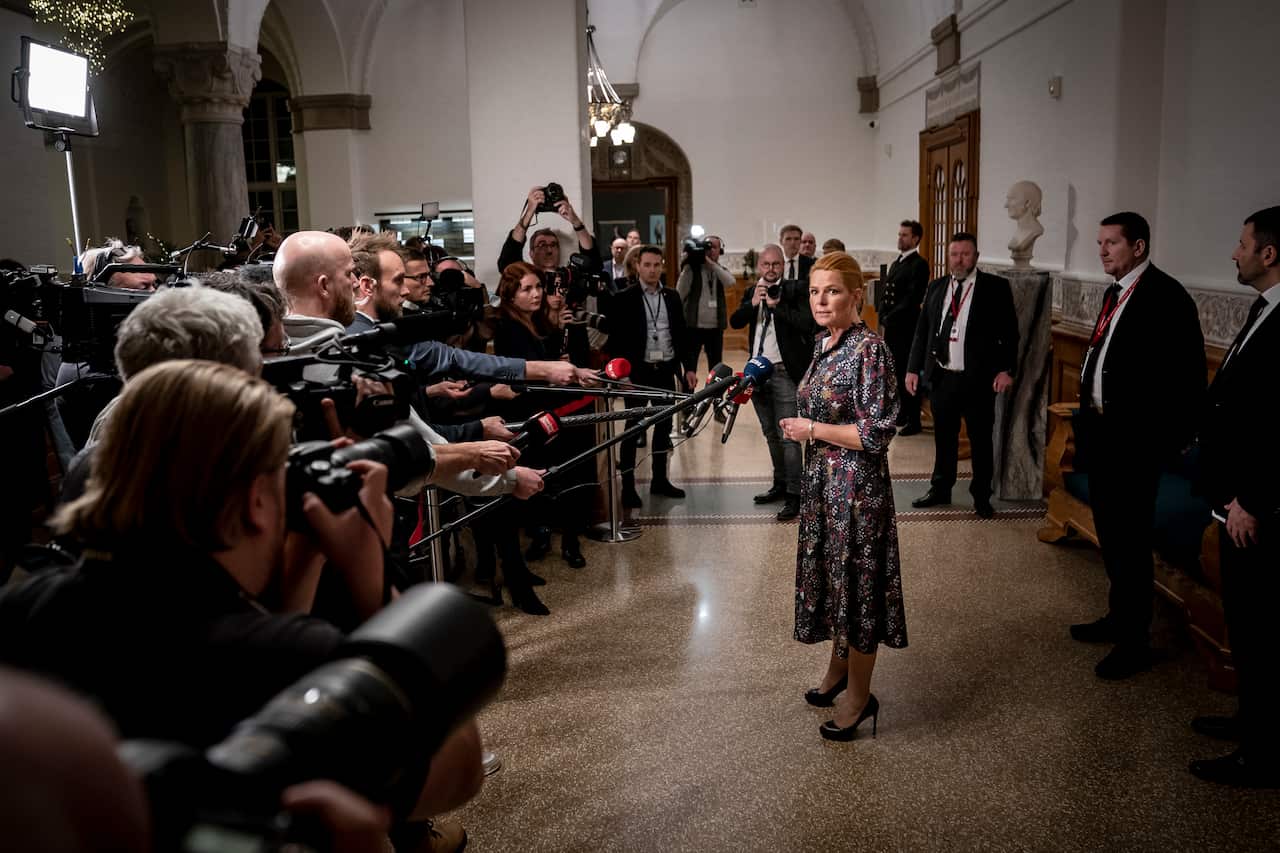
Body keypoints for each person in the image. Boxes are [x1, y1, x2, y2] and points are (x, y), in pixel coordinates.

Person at [0, 360, 483, 849]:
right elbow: (454, 772)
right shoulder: (281, 655)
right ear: (255, 502)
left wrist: (306, 555)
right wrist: (370, 575)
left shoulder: (27, 607)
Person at [1068, 212, 1205, 680]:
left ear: (1139, 247)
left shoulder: (1166, 297)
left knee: (1131, 540)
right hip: (1105, 438)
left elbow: (1185, 381)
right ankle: (1118, 617)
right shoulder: (1116, 292)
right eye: (1100, 242)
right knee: (1113, 537)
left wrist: (1160, 446)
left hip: (1136, 446)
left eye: (1111, 243)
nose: (1102, 251)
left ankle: (1135, 641)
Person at [779, 251, 906, 741]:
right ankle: (837, 672)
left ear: (856, 295)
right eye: (814, 291)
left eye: (831, 290)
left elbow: (875, 434)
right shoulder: (823, 343)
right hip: (823, 486)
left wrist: (812, 428)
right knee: (835, 581)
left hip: (856, 491)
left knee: (858, 587)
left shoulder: (869, 350)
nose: (820, 300)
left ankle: (860, 696)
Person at [1189, 206, 1280, 787]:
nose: (1234, 252)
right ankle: (1251, 722)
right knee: (1246, 625)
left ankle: (1263, 755)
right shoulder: (1263, 307)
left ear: (1269, 254)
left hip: (1259, 507)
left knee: (1264, 631)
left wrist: (1253, 499)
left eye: (1242, 243)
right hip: (1234, 497)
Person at [905, 232, 1018, 520]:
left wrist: (1006, 369)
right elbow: (922, 332)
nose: (959, 259)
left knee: (981, 440)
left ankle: (981, 496)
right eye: (955, 254)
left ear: (976, 257)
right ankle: (940, 489)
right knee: (944, 438)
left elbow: (1010, 333)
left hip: (978, 379)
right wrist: (912, 368)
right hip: (943, 376)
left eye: (966, 254)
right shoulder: (936, 287)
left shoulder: (995, 287)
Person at [729, 244, 817, 520]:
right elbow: (734, 322)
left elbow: (807, 324)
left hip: (782, 372)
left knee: (788, 436)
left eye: (775, 265)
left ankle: (795, 494)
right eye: (765, 265)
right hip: (756, 372)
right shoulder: (750, 292)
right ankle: (779, 485)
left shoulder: (794, 290)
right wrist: (752, 303)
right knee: (769, 433)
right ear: (759, 267)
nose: (770, 269)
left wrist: (776, 308)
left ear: (783, 266)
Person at [609, 246, 697, 506]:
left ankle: (660, 479)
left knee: (664, 427)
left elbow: (681, 334)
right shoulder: (625, 297)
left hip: (665, 370)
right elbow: (618, 341)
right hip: (638, 372)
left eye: (657, 265)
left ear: (662, 266)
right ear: (638, 265)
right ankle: (628, 486)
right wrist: (621, 378)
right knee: (632, 428)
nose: (652, 270)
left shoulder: (671, 296)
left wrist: (688, 368)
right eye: (647, 264)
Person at [879, 220, 930, 435]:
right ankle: (901, 412)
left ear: (916, 239)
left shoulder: (919, 264)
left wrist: (891, 316)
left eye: (905, 235)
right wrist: (882, 314)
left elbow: (912, 298)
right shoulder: (897, 262)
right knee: (895, 371)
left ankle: (914, 419)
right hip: (892, 326)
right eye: (899, 234)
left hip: (907, 327)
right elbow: (887, 293)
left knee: (908, 371)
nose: (900, 238)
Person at [497, 186, 599, 274]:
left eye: (553, 245)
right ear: (531, 253)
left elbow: (591, 259)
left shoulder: (569, 277)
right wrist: (529, 212)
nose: (549, 250)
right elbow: (508, 261)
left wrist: (575, 221)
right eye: (542, 245)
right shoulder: (525, 279)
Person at [676, 233, 734, 375]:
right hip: (693, 327)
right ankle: (687, 396)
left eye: (715, 247)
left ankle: (714, 396)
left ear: (720, 251)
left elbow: (731, 282)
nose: (711, 250)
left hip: (715, 329)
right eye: (708, 247)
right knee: (690, 368)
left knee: (716, 368)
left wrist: (711, 264)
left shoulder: (718, 270)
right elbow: (679, 294)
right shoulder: (692, 269)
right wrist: (686, 265)